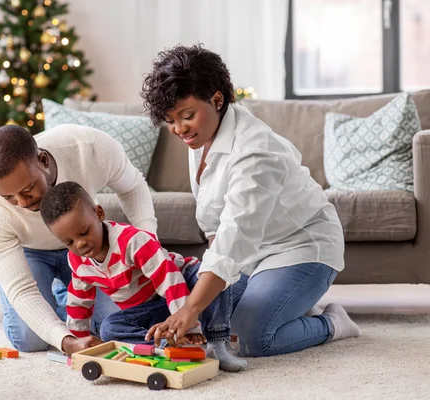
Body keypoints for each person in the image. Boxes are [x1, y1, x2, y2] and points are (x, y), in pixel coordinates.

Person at [140, 44, 361, 357]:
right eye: (170, 120)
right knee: (210, 321)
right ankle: (287, 302)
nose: (178, 129)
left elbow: (235, 233)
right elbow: (217, 226)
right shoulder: (204, 134)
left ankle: (332, 323)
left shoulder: (256, 153)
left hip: (300, 248)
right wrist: (197, 306)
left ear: (217, 99)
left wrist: (190, 307)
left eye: (186, 116)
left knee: (245, 337)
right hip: (252, 255)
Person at [0, 123, 157, 355]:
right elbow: (22, 290)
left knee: (118, 322)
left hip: (87, 246)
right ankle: (38, 294)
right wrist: (67, 342)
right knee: (30, 340)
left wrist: (149, 246)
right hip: (31, 252)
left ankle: (63, 293)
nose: (22, 202)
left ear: (43, 160)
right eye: (9, 197)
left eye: (28, 189)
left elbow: (132, 187)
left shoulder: (89, 148)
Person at [40, 181, 247, 372]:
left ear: (99, 213)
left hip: (181, 283)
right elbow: (79, 304)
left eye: (84, 232)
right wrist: (79, 344)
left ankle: (216, 342)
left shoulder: (132, 241)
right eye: (69, 242)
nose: (80, 244)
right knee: (109, 328)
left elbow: (168, 278)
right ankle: (169, 345)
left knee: (216, 272)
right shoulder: (77, 261)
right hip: (150, 307)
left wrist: (189, 322)